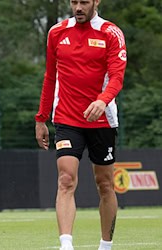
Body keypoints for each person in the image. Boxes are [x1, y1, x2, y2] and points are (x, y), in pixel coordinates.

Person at [34, 0, 126, 250]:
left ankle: (105, 245)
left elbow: (117, 76)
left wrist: (102, 100)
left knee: (105, 184)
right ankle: (66, 245)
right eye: (74, 2)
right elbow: (49, 76)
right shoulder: (57, 32)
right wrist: (41, 118)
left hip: (102, 120)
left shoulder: (111, 33)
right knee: (65, 179)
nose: (78, 7)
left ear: (96, 2)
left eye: (84, 2)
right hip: (66, 119)